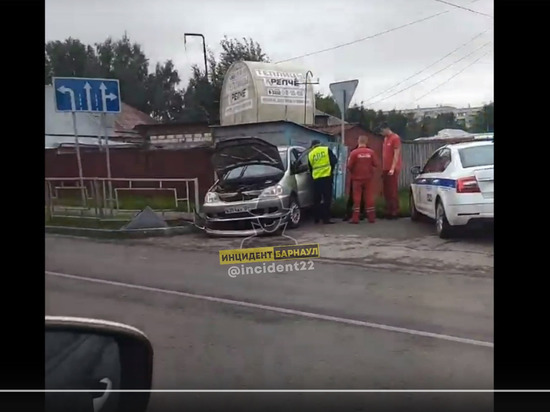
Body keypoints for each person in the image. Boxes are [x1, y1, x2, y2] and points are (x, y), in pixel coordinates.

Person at [346, 135, 380, 223]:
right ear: (366, 142)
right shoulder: (371, 152)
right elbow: (376, 164)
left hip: (357, 179)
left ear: (358, 142)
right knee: (369, 197)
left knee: (357, 198)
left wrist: (354, 171)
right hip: (368, 178)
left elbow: (349, 166)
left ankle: (355, 218)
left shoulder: (354, 153)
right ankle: (371, 218)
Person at [308, 139, 338, 224]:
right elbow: (334, 161)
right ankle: (326, 219)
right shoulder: (326, 150)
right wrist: (331, 170)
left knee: (316, 199)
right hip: (327, 177)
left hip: (316, 179)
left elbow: (310, 168)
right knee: (327, 199)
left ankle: (316, 219)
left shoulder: (310, 154)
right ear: (319, 144)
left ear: (313, 146)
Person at [378, 122, 402, 219]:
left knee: (392, 191)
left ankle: (395, 211)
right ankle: (388, 210)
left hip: (392, 168)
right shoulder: (385, 139)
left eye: (382, 131)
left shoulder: (395, 138)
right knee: (386, 191)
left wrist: (393, 168)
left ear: (386, 129)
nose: (381, 133)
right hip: (385, 167)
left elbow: (396, 154)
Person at [343, 143, 366, 221]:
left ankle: (348, 214)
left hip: (355, 178)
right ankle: (361, 214)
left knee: (352, 197)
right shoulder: (369, 152)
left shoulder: (353, 153)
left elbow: (349, 166)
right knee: (362, 196)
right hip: (365, 178)